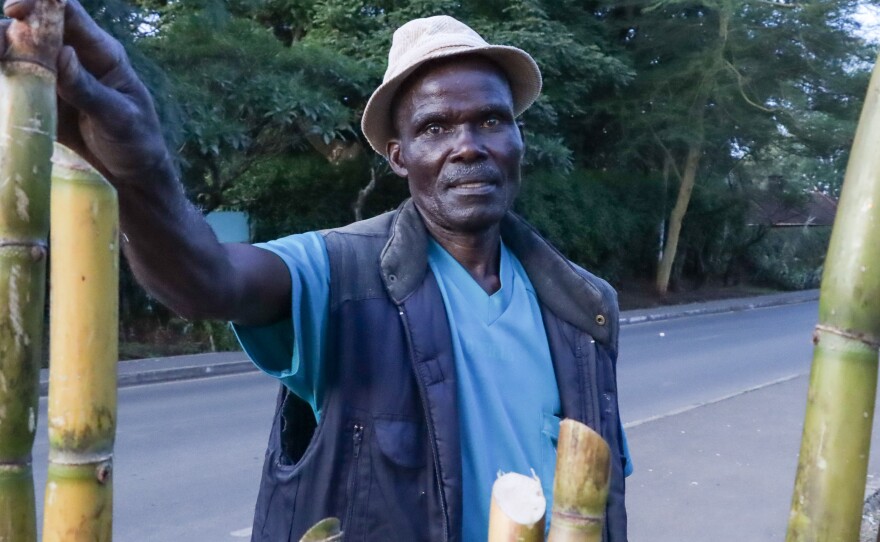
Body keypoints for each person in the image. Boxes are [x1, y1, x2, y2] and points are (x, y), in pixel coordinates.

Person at [2, 2, 630, 540]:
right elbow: (206, 279)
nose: (468, 145)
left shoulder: (582, 305)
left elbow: (602, 499)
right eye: (435, 127)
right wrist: (137, 167)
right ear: (399, 157)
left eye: (491, 120)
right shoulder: (343, 274)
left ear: (518, 140)